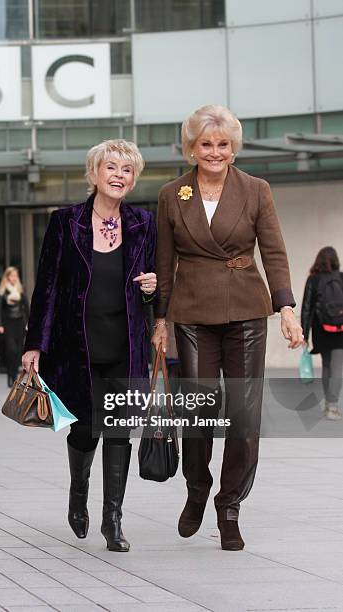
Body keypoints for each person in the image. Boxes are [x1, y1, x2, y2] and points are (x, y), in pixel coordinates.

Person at [152, 105, 304, 551]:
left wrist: (288, 308)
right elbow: (164, 262)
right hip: (194, 310)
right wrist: (160, 320)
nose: (215, 152)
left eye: (222, 144)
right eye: (206, 144)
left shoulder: (256, 190)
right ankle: (197, 487)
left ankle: (229, 504)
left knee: (244, 412)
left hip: (246, 310)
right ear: (192, 148)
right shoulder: (171, 194)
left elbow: (274, 252)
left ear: (233, 148)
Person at [22, 139, 157, 552]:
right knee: (83, 429)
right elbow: (46, 287)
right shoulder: (65, 222)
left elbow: (156, 286)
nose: (119, 176)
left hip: (126, 343)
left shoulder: (143, 223)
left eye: (127, 170)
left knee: (118, 430)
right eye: (111, 167)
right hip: (75, 345)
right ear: (94, 173)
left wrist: (154, 289)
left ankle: (112, 519)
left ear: (133, 179)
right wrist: (34, 346)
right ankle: (78, 492)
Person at [301, 247, 343, 420]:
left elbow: (306, 308)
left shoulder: (313, 279)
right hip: (340, 327)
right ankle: (332, 407)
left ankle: (329, 404)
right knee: (338, 367)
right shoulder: (341, 278)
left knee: (326, 364)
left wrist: (304, 334)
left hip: (320, 327)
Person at [0, 267, 29, 387]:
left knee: (18, 351)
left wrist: (30, 322)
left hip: (19, 323)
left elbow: (26, 307)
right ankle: (10, 376)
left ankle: (14, 375)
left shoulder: (20, 290)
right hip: (8, 324)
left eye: (16, 276)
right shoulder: (3, 291)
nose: (14, 278)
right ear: (7, 277)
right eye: (11, 276)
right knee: (11, 350)